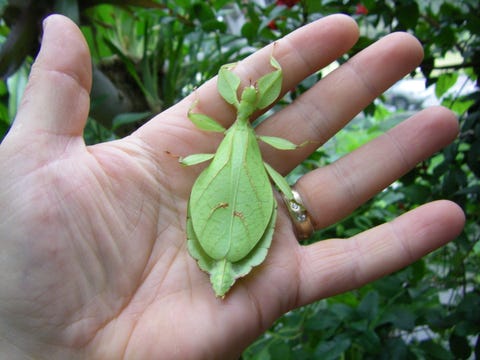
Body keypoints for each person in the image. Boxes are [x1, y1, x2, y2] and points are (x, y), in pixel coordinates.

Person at [0, 13, 465, 359]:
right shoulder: (249, 136)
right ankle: (227, 265)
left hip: (229, 194)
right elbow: (260, 162)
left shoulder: (220, 131)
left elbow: (208, 142)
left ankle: (227, 264)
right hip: (236, 204)